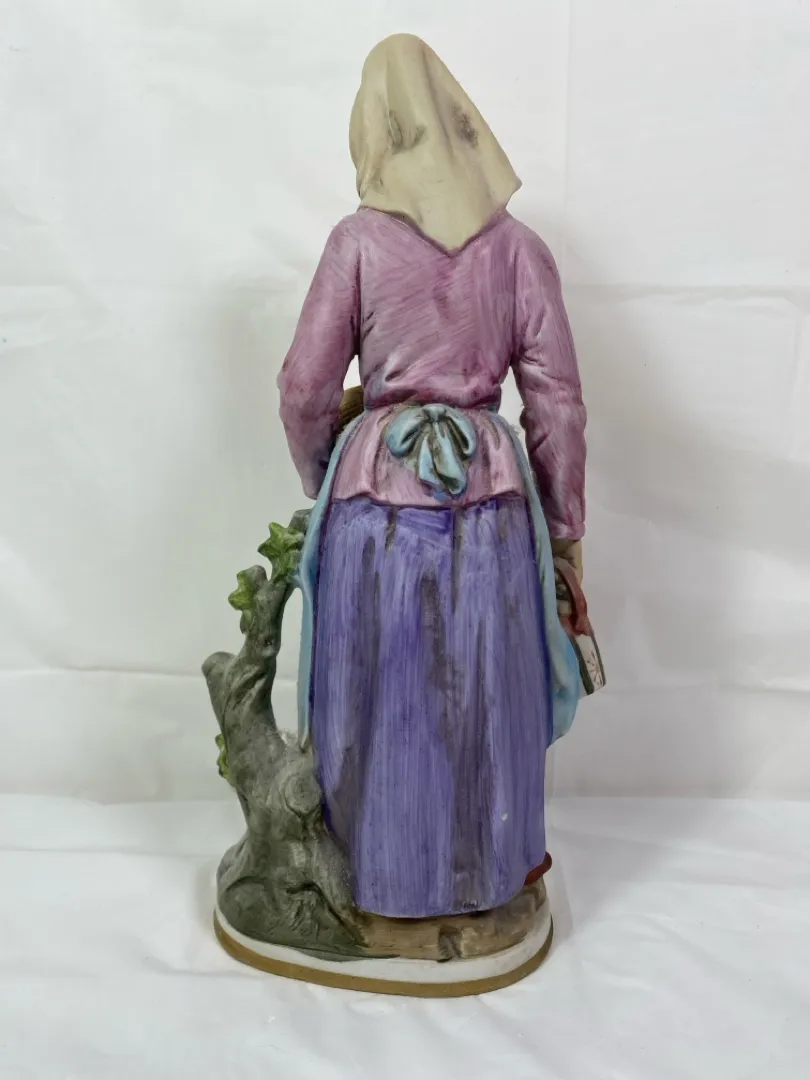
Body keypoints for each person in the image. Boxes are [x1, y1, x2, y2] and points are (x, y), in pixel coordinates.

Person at [277, 34, 586, 919]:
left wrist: (324, 473)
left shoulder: (356, 244)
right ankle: (482, 877)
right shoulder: (519, 249)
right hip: (492, 504)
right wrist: (565, 532)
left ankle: (376, 879)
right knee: (484, 695)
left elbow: (303, 388)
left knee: (376, 699)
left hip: (371, 505)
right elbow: (559, 404)